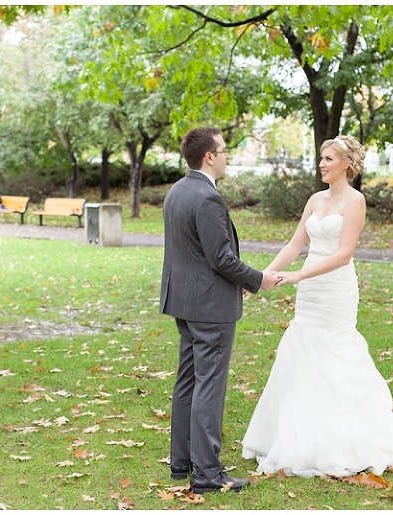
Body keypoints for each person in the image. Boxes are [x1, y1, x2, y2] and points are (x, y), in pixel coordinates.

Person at [241, 135, 393, 479]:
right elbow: (295, 243)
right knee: (303, 352)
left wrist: (299, 274)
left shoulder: (355, 201)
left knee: (337, 353)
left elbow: (344, 253)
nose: (322, 164)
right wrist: (263, 275)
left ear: (346, 164)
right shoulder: (315, 199)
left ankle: (347, 438)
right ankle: (300, 437)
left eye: (329, 158)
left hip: (334, 288)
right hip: (310, 292)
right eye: (321, 158)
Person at [160, 127, 279, 494]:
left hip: (184, 301)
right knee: (208, 387)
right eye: (224, 150)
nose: (227, 155)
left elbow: (196, 253)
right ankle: (207, 474)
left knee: (188, 382)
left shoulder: (176, 191)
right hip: (210, 307)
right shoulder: (207, 198)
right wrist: (258, 279)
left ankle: (182, 462)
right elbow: (221, 258)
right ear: (209, 156)